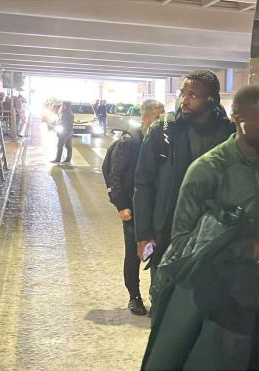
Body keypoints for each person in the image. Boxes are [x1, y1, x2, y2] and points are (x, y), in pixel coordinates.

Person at [141, 86, 259, 370]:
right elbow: (182, 243)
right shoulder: (207, 170)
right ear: (239, 119)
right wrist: (247, 247)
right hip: (220, 309)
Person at [133, 70, 234, 284]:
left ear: (212, 100)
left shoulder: (228, 135)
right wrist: (143, 235)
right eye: (183, 93)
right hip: (166, 235)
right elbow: (143, 184)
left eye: (193, 95)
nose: (184, 100)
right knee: (163, 297)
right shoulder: (163, 131)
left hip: (212, 237)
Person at [107, 99, 165, 316]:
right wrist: (121, 205)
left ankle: (155, 296)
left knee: (155, 252)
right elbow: (115, 175)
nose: (162, 121)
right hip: (132, 208)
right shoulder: (130, 141)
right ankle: (134, 296)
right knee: (133, 254)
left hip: (153, 208)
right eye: (158, 117)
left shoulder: (161, 141)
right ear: (146, 117)